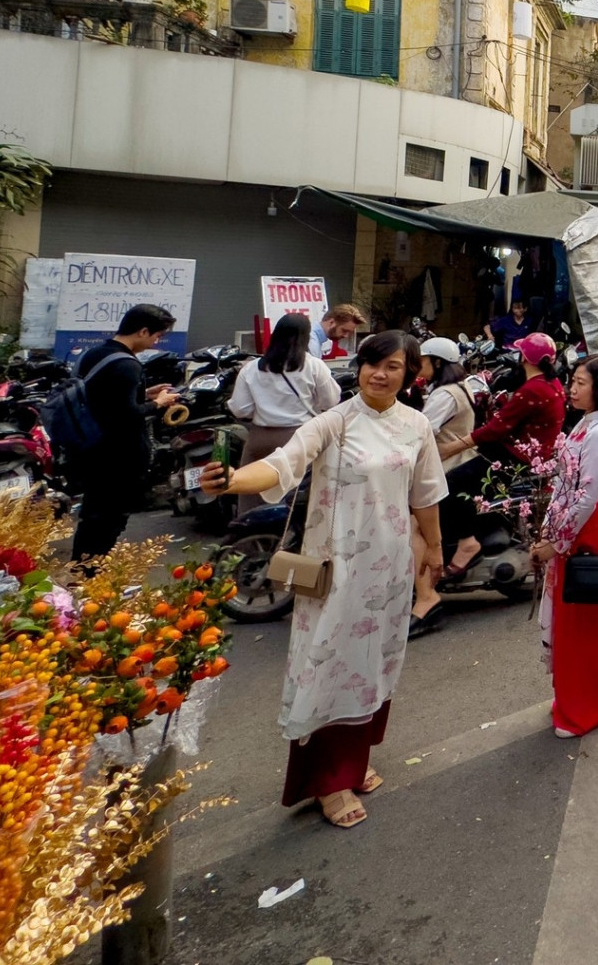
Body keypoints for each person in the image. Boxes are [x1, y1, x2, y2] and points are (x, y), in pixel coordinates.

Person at [200, 330, 446, 829]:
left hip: (390, 566)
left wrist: (434, 552)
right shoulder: (335, 421)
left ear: (410, 373)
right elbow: (279, 466)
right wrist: (231, 481)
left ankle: (351, 763)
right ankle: (328, 780)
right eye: (373, 363)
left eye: (393, 366)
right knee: (332, 665)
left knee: (374, 663)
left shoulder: (417, 425)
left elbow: (424, 496)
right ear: (359, 368)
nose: (380, 373)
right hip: (338, 571)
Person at [532, 354, 598, 739]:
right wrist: (547, 526)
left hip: (588, 526)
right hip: (578, 521)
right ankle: (579, 700)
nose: (572, 388)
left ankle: (585, 709)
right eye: (572, 381)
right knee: (575, 621)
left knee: (584, 622)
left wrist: (555, 543)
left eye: (580, 382)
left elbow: (586, 494)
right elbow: (566, 486)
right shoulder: (590, 424)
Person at [67, 303, 182, 560]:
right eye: (157, 335)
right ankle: (91, 576)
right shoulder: (128, 365)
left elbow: (104, 399)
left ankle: (80, 570)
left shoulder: (92, 354)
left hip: (89, 450)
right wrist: (157, 403)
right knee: (108, 522)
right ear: (142, 331)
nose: (156, 341)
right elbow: (125, 415)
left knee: (92, 517)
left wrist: (143, 394)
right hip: (117, 459)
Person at [228, 312, 341, 518]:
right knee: (296, 501)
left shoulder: (252, 368)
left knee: (252, 496)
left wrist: (264, 408)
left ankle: (250, 542)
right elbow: (332, 401)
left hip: (259, 439)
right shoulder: (314, 366)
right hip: (301, 438)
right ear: (305, 337)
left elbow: (240, 409)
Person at [415, 338, 481, 634]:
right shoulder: (461, 386)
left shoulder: (444, 395)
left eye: (423, 360)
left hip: (448, 466)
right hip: (457, 460)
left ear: (437, 363)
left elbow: (421, 433)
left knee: (416, 525)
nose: (419, 367)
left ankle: (426, 592)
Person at [440, 332, 564, 467]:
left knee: (454, 480)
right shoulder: (554, 382)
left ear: (523, 357)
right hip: (540, 456)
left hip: (519, 458)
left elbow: (495, 429)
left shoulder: (533, 390)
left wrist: (449, 448)